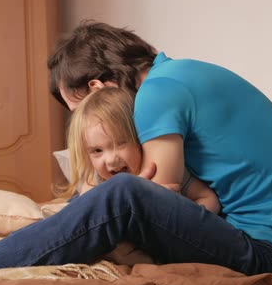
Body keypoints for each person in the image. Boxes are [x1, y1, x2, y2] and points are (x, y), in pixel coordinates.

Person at [0, 21, 272, 276]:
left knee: (122, 193)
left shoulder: (158, 93)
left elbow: (154, 193)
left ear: (96, 86)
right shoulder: (181, 75)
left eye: (79, 108)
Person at [60, 86, 220, 214]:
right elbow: (86, 210)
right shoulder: (96, 180)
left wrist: (186, 215)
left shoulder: (161, 169)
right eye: (97, 151)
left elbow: (208, 198)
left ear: (138, 138)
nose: (110, 159)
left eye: (120, 143)